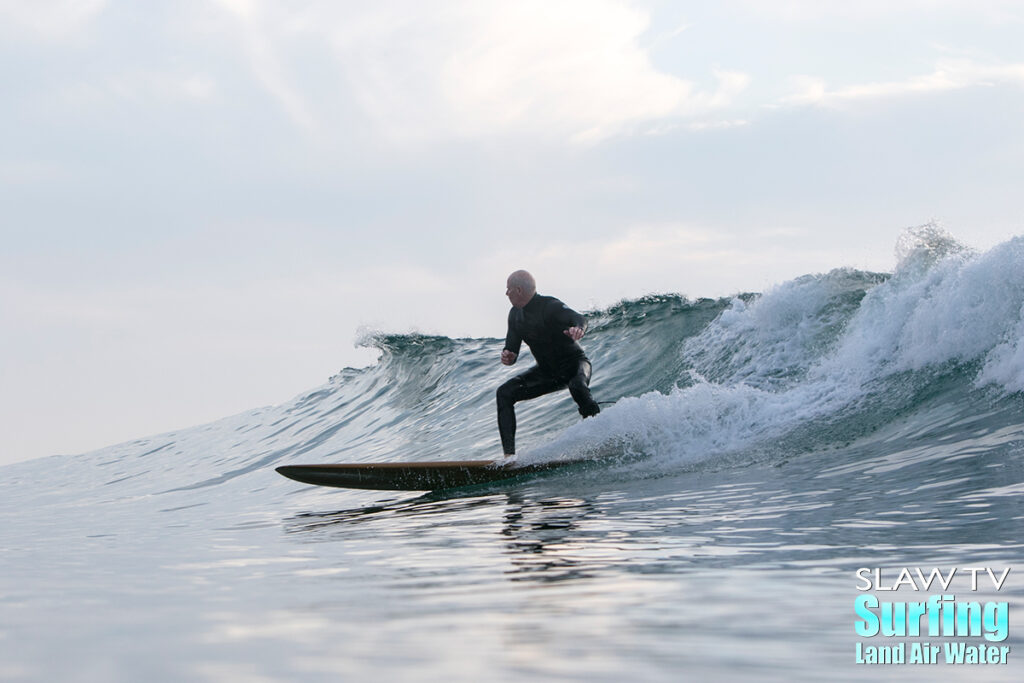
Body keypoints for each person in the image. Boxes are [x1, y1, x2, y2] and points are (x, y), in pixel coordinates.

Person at [496, 270, 600, 457]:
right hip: (548, 373)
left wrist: (578, 329)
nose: (506, 294)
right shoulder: (515, 316)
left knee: (577, 386)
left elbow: (579, 318)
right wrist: (508, 356)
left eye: (508, 290)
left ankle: (601, 439)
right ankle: (509, 458)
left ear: (518, 290)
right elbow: (512, 348)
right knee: (504, 393)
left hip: (574, 364)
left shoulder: (549, 306)